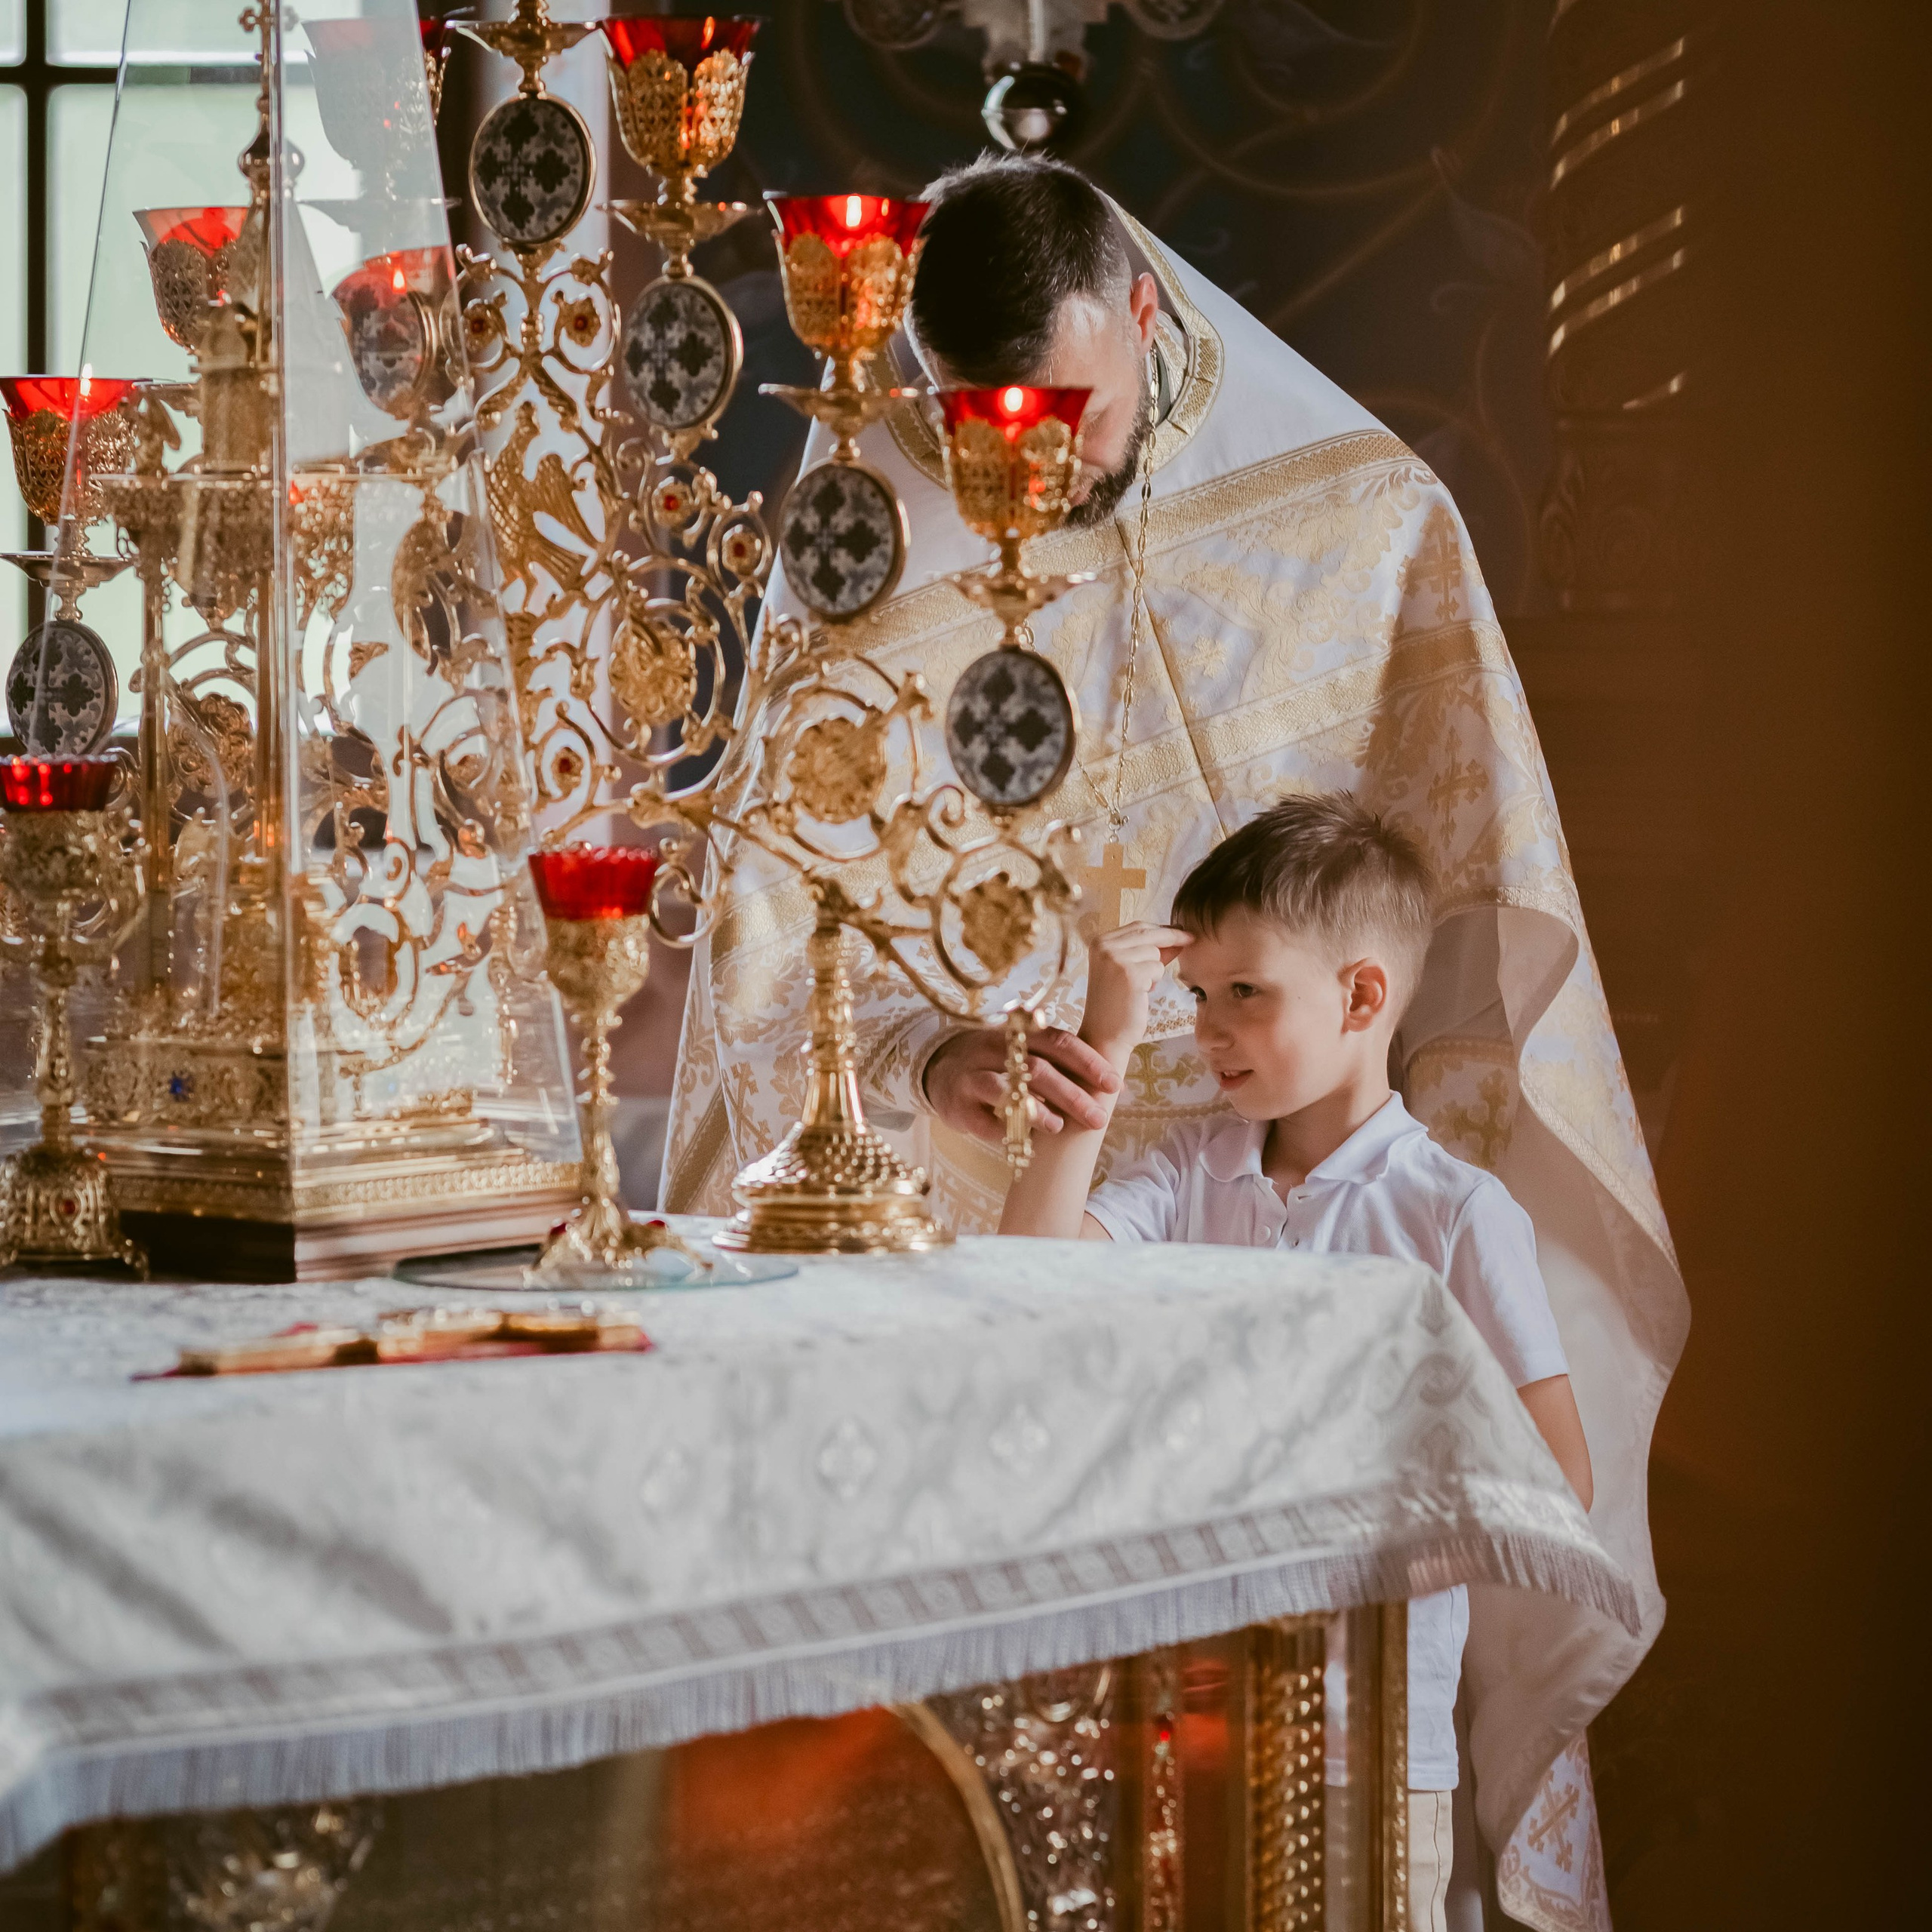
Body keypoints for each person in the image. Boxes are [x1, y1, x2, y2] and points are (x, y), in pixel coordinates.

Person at [663, 152, 1685, 1929]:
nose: (1035, 471)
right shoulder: (860, 524)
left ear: (1140, 310)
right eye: (982, 425)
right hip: (1000, 1260)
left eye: (1074, 414)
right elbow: (773, 930)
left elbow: (1455, 908)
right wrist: (927, 1063)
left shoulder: (1359, 518)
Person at [1001, 792, 1593, 1931]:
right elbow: (1027, 1276)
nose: (1207, 1029)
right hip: (1179, 1715)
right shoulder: (1188, 1175)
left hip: (1367, 1742)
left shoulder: (1457, 1216)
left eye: (1244, 994)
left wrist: (1357, 1563)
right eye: (1194, 997)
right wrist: (1108, 1046)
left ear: (1362, 995)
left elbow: (1556, 1483)